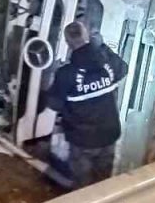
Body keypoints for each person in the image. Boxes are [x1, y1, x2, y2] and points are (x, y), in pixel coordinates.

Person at [45, 21, 128, 189]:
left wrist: (52, 76)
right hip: (108, 135)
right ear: (87, 37)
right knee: (103, 183)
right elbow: (123, 69)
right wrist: (102, 46)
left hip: (82, 141)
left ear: (68, 44)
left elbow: (54, 104)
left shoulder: (65, 74)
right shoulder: (106, 62)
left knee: (82, 187)